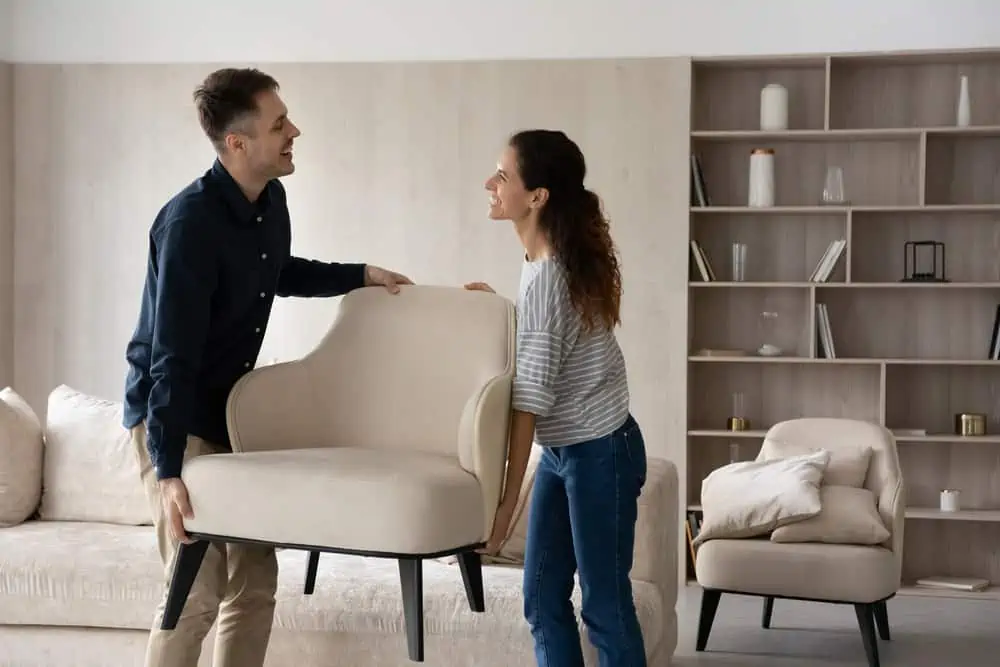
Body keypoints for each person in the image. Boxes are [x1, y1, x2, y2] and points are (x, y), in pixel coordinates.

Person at [121, 67, 412, 667]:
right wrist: (170, 468)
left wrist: (359, 275)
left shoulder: (269, 200)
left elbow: (277, 270)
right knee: (193, 591)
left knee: (253, 582)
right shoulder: (189, 224)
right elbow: (171, 354)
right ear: (238, 144)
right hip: (175, 419)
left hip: (233, 419)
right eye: (279, 124)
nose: (293, 131)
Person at [467, 129, 647, 667]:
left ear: (538, 196)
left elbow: (528, 403)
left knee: (604, 607)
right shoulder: (542, 261)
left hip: (600, 452)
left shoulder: (547, 274)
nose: (490, 183)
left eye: (502, 175)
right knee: (542, 599)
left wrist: (502, 509)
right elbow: (547, 340)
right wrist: (499, 312)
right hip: (568, 450)